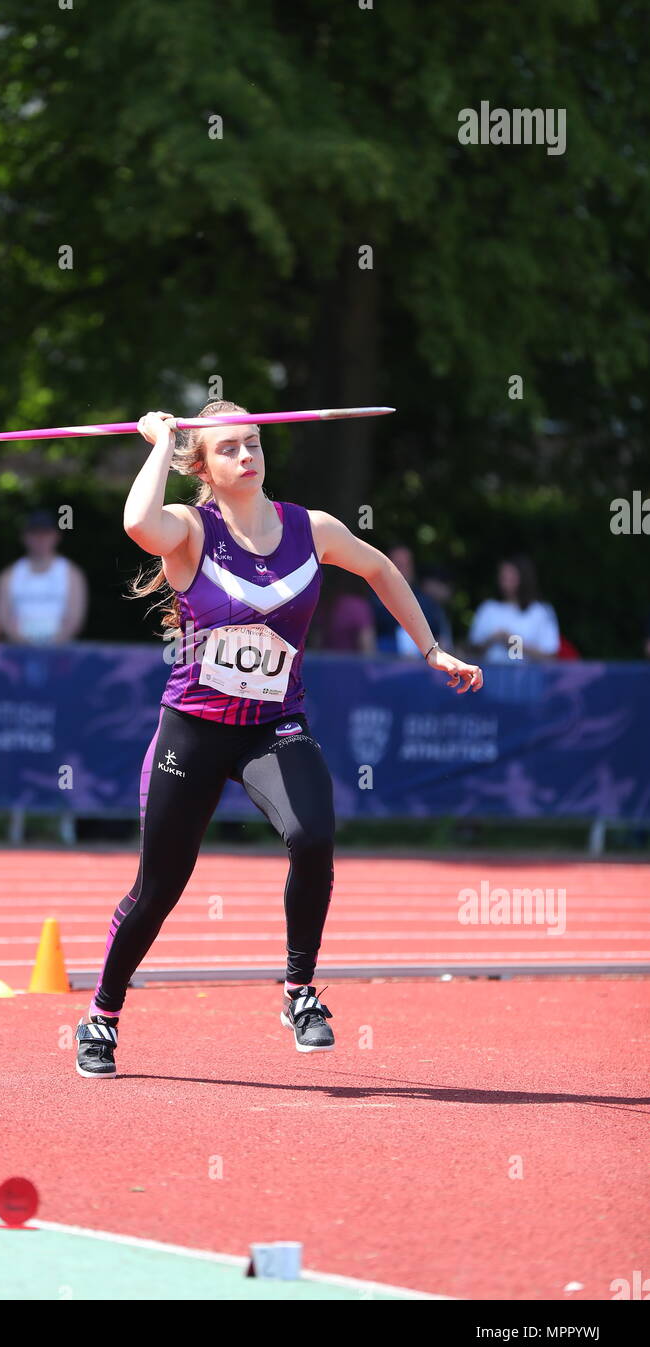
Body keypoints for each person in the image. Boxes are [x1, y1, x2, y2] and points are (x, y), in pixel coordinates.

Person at [74, 400, 483, 1079]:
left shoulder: (310, 528)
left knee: (313, 835)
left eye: (254, 443)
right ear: (202, 466)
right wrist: (160, 440)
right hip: (195, 729)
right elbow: (137, 523)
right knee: (160, 886)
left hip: (272, 727)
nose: (248, 456)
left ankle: (299, 992)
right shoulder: (190, 531)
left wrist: (432, 649)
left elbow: (381, 568)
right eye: (230, 448)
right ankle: (102, 1015)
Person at [0, 509, 88, 644]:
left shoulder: (72, 574)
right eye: (34, 533)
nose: (40, 539)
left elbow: (75, 619)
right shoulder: (8, 576)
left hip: (61, 652)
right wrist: (25, 645)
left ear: (57, 536)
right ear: (24, 537)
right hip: (19, 653)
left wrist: (52, 646)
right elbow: (3, 619)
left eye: (46, 533)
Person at [467, 556, 559, 663]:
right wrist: (491, 640)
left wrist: (514, 644)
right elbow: (471, 650)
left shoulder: (539, 612)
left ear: (523, 578)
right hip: (489, 676)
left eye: (511, 577)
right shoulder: (488, 609)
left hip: (527, 677)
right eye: (503, 577)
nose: (505, 582)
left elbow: (550, 656)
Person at [370, 544, 446, 657]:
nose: (402, 570)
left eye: (407, 565)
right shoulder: (374, 602)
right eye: (398, 564)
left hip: (423, 668)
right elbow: (367, 642)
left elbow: (440, 639)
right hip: (385, 668)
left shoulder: (427, 602)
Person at [308, 566, 376, 654]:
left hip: (326, 664)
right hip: (353, 665)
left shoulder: (319, 605)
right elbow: (368, 648)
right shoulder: (358, 607)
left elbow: (316, 644)